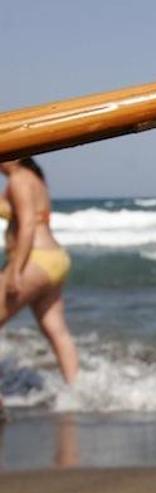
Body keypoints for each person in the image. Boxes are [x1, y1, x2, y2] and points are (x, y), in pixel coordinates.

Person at [0, 157, 78, 385]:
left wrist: (16, 270)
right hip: (55, 259)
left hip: (34, 260)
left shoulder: (19, 179)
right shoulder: (34, 180)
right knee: (57, 332)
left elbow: (27, 226)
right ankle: (77, 393)